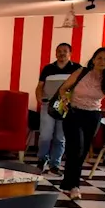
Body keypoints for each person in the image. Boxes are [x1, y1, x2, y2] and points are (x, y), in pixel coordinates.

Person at [57, 47, 105, 200]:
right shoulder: (82, 72)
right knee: (76, 148)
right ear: (93, 59)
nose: (102, 61)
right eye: (99, 58)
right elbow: (63, 88)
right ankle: (75, 186)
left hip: (93, 116)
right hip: (73, 113)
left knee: (82, 150)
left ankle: (68, 182)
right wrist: (65, 99)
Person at [33, 43, 79, 175]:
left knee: (60, 137)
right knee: (45, 136)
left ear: (70, 53)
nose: (62, 53)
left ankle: (55, 165)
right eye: (59, 51)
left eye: (65, 51)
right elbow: (39, 86)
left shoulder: (77, 69)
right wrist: (39, 97)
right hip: (48, 107)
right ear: (55, 53)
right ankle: (42, 160)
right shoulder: (48, 68)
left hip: (66, 108)